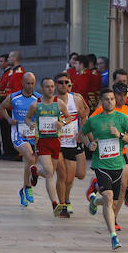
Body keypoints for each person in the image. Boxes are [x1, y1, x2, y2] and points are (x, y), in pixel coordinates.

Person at [80, 87, 128, 250]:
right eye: (107, 99)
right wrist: (89, 144)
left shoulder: (122, 118)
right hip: (101, 165)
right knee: (108, 195)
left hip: (118, 164)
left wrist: (121, 135)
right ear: (101, 101)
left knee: (112, 201)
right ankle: (113, 236)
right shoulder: (94, 120)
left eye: (112, 99)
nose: (110, 102)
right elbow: (82, 134)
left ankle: (94, 200)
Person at [25, 78, 72, 215]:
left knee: (49, 172)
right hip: (42, 141)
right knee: (50, 172)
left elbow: (69, 117)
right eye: (47, 86)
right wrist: (31, 124)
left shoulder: (59, 103)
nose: (50, 89)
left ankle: (35, 172)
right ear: (42, 88)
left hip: (55, 141)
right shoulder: (36, 105)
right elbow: (27, 118)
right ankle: (54, 204)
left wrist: (62, 123)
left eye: (52, 86)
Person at [0, 72, 41, 206]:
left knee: (30, 163)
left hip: (34, 135)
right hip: (18, 134)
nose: (30, 86)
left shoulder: (38, 98)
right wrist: (9, 119)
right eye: (28, 83)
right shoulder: (14, 97)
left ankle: (23, 190)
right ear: (22, 83)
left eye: (32, 83)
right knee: (30, 157)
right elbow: (2, 108)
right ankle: (28, 187)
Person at [54, 71, 89, 217]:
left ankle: (66, 198)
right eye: (60, 82)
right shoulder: (52, 101)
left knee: (74, 176)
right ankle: (63, 204)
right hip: (57, 143)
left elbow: (84, 115)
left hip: (72, 142)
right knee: (62, 175)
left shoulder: (76, 99)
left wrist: (82, 133)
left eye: (66, 82)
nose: (64, 85)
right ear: (55, 85)